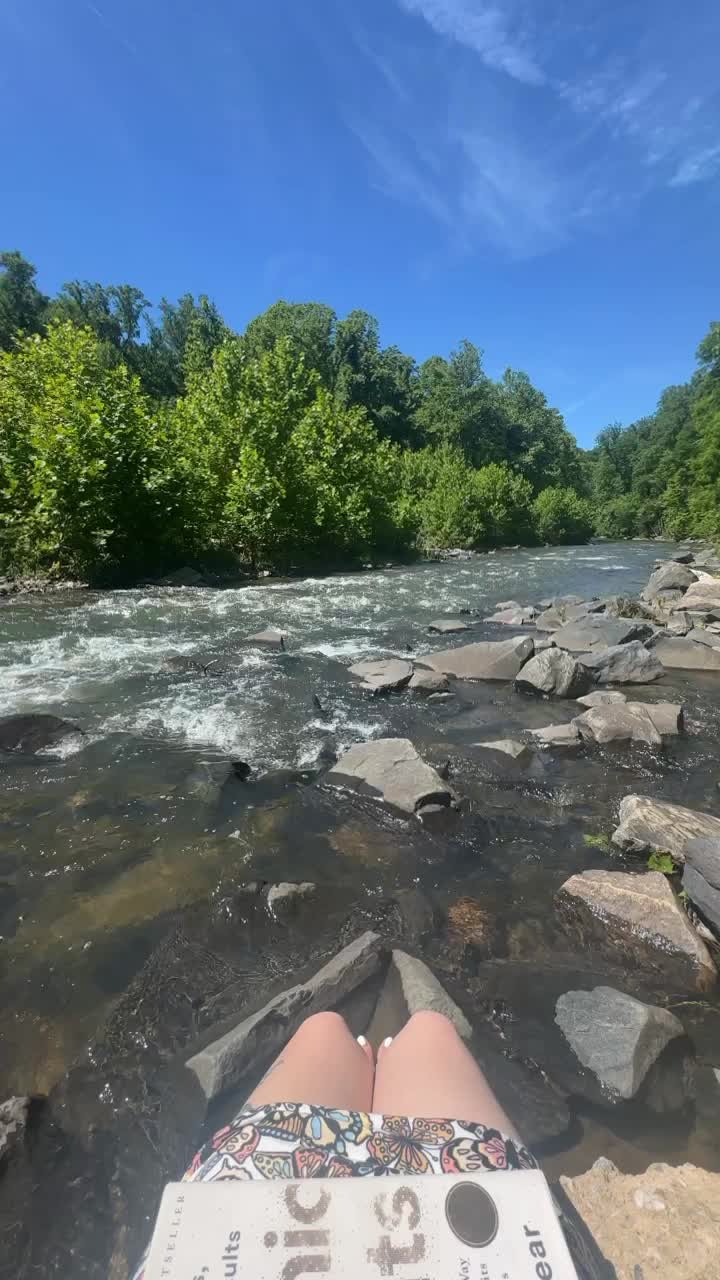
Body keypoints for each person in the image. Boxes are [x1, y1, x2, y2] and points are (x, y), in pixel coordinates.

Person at [177, 1010, 536, 1184]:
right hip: (464, 1172)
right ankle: (378, 1062)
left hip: (259, 1172)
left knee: (323, 1026)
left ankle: (365, 1065)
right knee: (429, 1026)